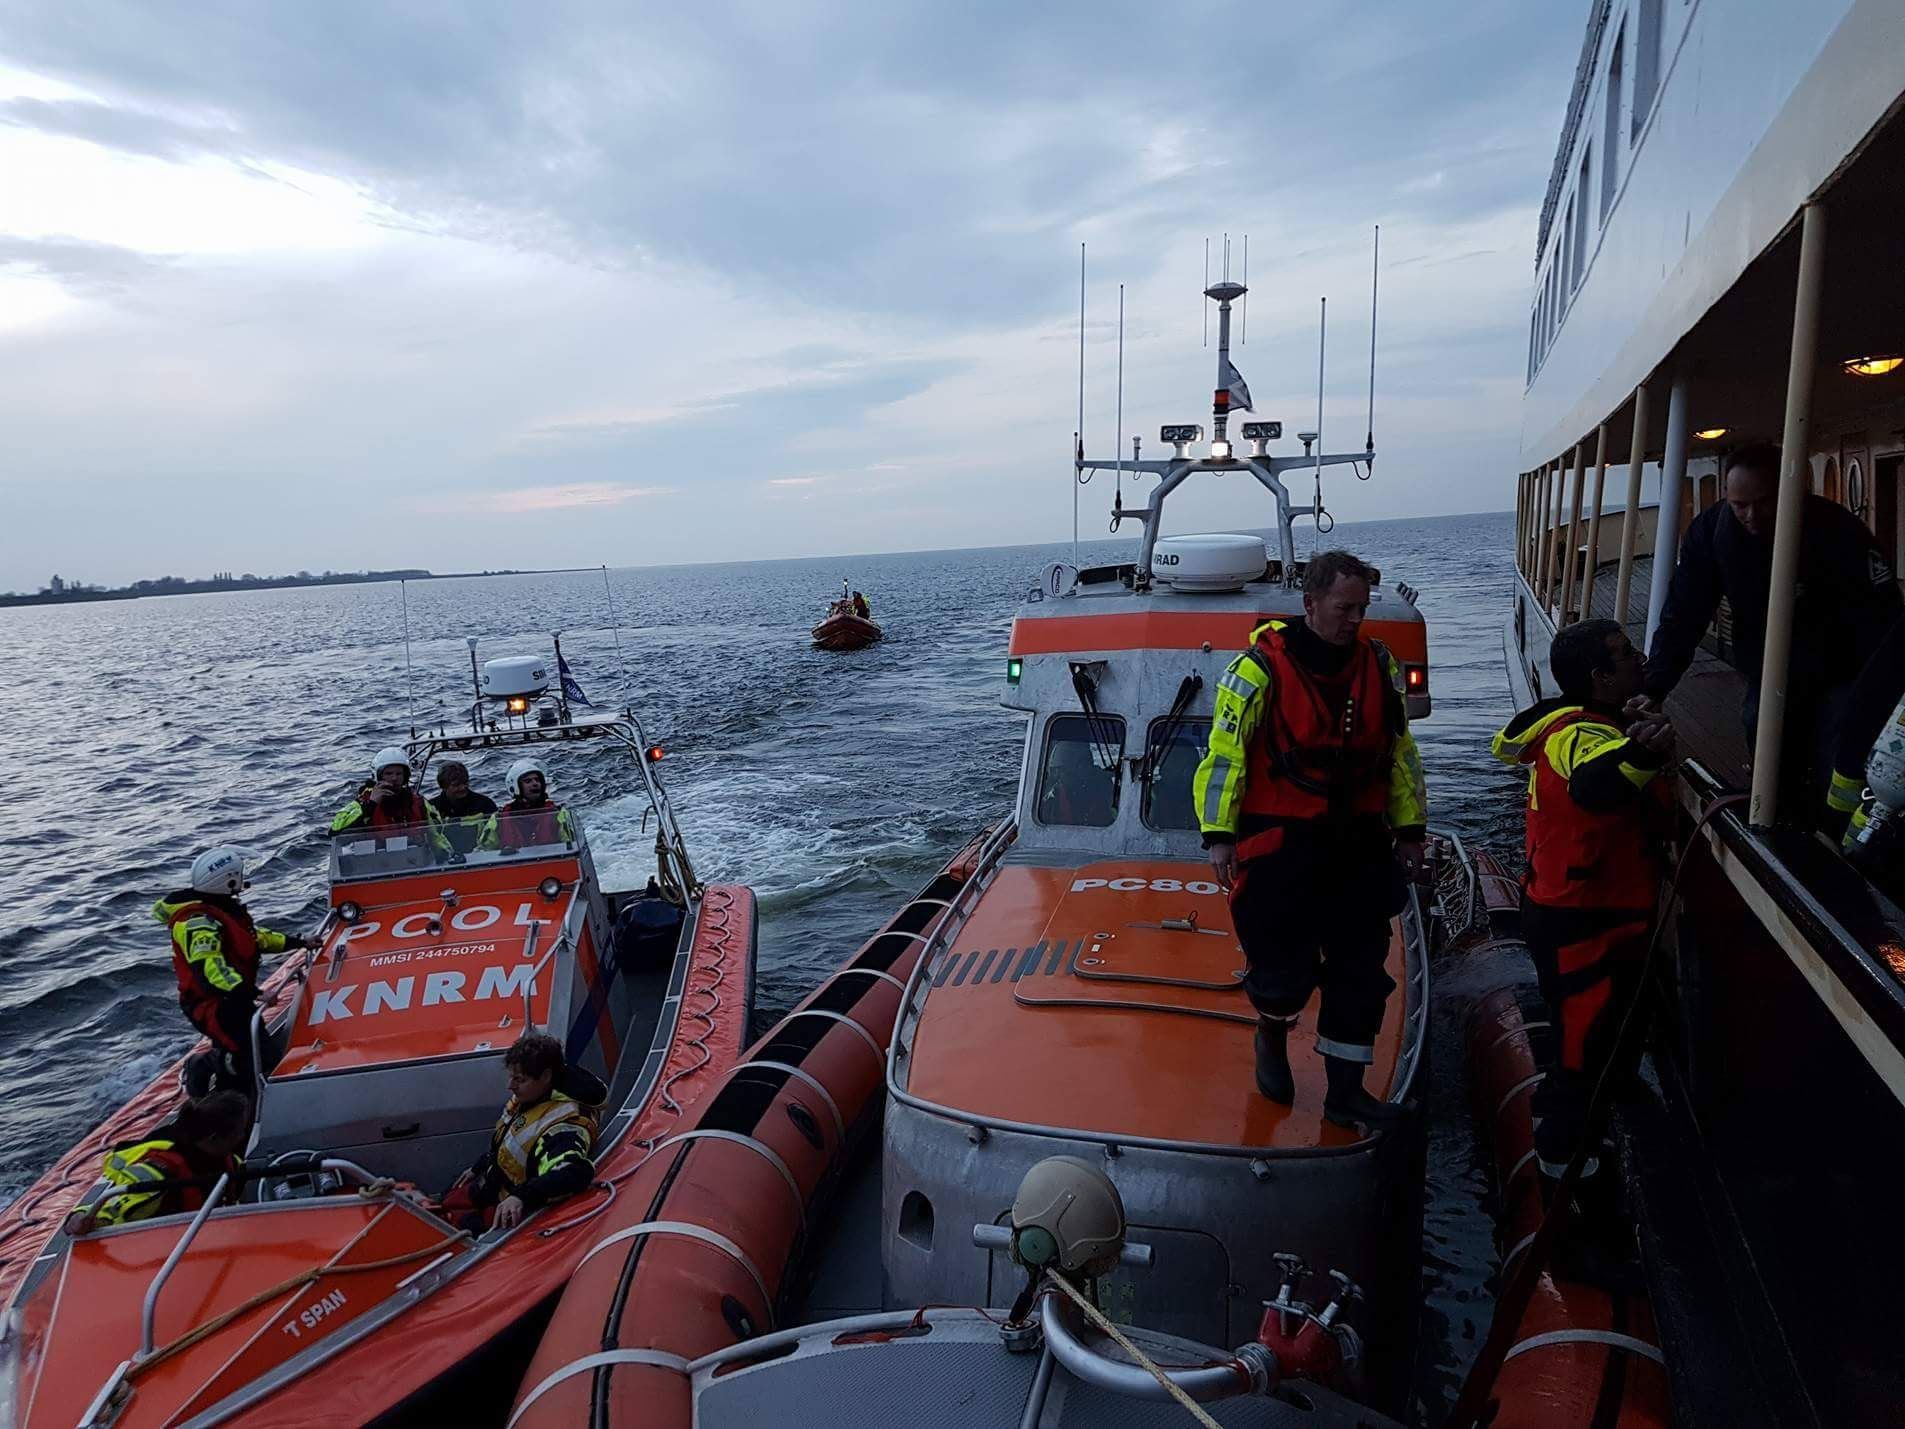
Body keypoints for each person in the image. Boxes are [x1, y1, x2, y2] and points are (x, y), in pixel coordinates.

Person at [1192, 550, 1429, 1128]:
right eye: (1344, 608)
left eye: (1361, 609)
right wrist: (1220, 835)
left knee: (1361, 972)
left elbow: (1397, 755)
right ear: (1310, 604)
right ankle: (1271, 1031)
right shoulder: (1256, 671)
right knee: (1282, 973)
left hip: (1357, 846)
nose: (1354, 619)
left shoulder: (1379, 664)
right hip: (1282, 845)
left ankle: (1345, 1092)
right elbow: (1225, 757)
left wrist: (1410, 830)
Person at [1491, 620, 1674, 1218]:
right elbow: (1598, 783)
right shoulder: (1580, 737)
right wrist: (1643, 751)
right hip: (1581, 929)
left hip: (1599, 920)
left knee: (1606, 1042)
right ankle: (1568, 1209)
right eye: (1625, 656)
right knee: (1575, 1067)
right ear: (1598, 678)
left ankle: (1607, 1101)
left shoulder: (1597, 723)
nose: (1639, 660)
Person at [1642, 442, 1900, 824]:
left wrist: (1881, 689)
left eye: (1763, 503)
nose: (1751, 516)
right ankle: (1781, 819)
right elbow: (1683, 614)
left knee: (1840, 750)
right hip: (1770, 666)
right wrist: (1654, 688)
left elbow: (1885, 616)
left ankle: (1837, 837)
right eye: (1739, 505)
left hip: (1843, 666)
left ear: (1790, 492)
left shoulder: (1838, 530)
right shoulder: (1712, 533)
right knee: (1763, 734)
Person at [156, 847, 315, 1093]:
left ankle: (234, 1078)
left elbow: (254, 939)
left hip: (234, 998)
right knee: (249, 1058)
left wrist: (299, 942)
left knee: (259, 1051)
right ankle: (207, 1069)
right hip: (213, 1004)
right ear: (227, 880)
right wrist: (252, 992)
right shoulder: (197, 924)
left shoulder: (223, 910)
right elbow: (210, 969)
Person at [444, 1033, 605, 1231]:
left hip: (508, 1202)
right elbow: (508, 1140)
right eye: (511, 1077)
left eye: (519, 1079)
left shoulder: (564, 1127)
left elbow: (573, 1172)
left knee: (461, 1226)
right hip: (492, 1183)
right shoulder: (532, 1097)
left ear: (545, 1076)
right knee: (448, 1196)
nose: (510, 1086)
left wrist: (521, 1196)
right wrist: (478, 1168)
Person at [65, 1091, 252, 1232]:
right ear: (213, 1137)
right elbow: (111, 1212)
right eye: (239, 1131)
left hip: (213, 1237)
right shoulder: (160, 1173)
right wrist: (80, 1219)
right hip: (168, 1246)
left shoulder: (230, 1162)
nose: (243, 1136)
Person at [331, 747, 438, 835]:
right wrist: (370, 806)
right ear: (378, 776)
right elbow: (335, 832)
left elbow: (436, 837)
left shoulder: (418, 802)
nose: (394, 778)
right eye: (388, 773)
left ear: (405, 776)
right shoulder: (363, 802)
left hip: (413, 858)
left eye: (399, 774)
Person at [480, 758, 576, 852]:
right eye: (528, 781)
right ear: (515, 787)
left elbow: (572, 845)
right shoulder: (499, 819)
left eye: (537, 780)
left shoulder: (557, 814)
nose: (535, 783)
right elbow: (483, 850)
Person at [431, 760, 497, 856]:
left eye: (465, 782)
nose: (462, 788)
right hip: (444, 861)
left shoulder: (485, 804)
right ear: (443, 786)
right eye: (456, 785)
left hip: (482, 857)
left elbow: (494, 836)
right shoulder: (432, 808)